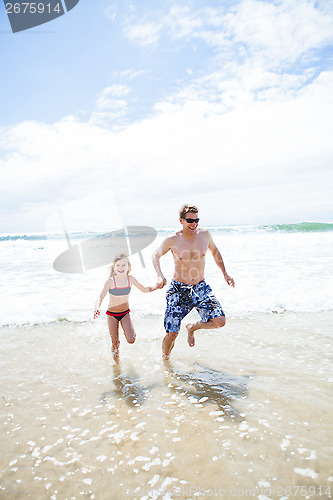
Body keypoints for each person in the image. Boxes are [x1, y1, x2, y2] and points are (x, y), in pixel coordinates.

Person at [152, 204, 235, 359]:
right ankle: (165, 360)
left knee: (220, 320)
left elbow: (215, 252)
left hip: (200, 287)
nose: (194, 224)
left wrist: (225, 274)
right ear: (181, 221)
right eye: (190, 220)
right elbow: (155, 255)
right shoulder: (172, 239)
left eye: (197, 220)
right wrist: (159, 275)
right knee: (172, 333)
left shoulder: (205, 235)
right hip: (179, 290)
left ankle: (192, 328)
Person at [94, 254, 161, 362]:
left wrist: (156, 287)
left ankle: (127, 330)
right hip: (112, 315)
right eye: (118, 265)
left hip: (125, 313)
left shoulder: (131, 279)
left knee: (131, 340)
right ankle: (117, 365)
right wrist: (97, 307)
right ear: (114, 267)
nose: (121, 268)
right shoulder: (110, 281)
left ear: (128, 267)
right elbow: (100, 297)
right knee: (115, 343)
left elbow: (145, 289)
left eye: (124, 265)